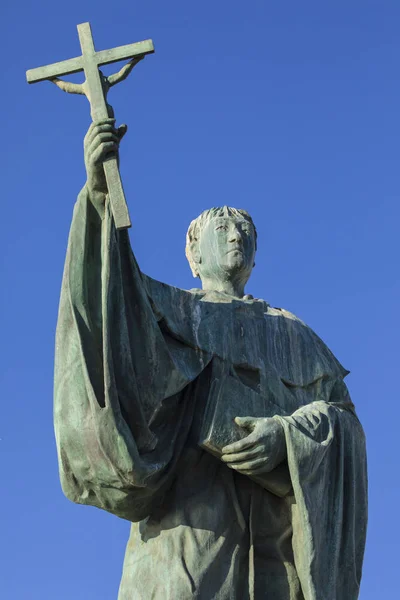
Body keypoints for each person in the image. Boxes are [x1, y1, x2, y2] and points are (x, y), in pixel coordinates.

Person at [54, 119, 368, 599]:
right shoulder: (163, 311)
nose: (236, 235)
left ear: (257, 256)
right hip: (186, 545)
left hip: (275, 561)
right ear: (192, 251)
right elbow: (105, 306)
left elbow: (345, 426)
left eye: (244, 229)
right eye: (221, 227)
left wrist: (290, 438)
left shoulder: (296, 336)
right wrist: (99, 194)